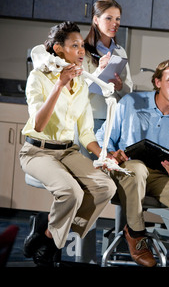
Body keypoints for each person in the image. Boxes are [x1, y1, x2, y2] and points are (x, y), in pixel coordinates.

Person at [19, 21, 117, 266]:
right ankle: (52, 245)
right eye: (75, 46)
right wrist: (59, 84)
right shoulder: (38, 77)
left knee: (106, 188)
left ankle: (49, 234)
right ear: (58, 49)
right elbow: (39, 124)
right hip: (37, 152)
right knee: (71, 192)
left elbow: (86, 134)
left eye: (82, 45)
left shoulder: (82, 84)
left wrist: (104, 154)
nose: (82, 50)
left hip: (67, 151)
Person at [96, 59, 169, 267]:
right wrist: (111, 153)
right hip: (126, 170)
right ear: (157, 82)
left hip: (159, 176)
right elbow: (103, 137)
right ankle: (136, 234)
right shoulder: (130, 102)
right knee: (136, 168)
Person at [83, 0, 133, 134]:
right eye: (109, 18)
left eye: (118, 19)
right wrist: (98, 71)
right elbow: (77, 88)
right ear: (95, 19)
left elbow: (129, 90)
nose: (115, 23)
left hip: (114, 119)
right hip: (90, 119)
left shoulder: (120, 51)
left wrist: (120, 86)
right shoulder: (83, 50)